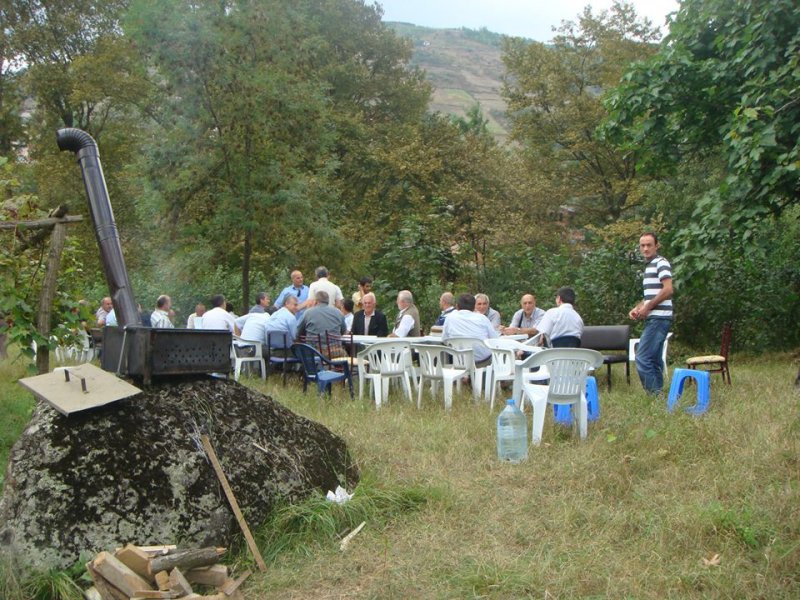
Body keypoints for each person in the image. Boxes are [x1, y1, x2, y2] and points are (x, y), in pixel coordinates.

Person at [629, 232, 674, 395]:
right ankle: (659, 395)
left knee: (642, 357)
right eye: (642, 245)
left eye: (649, 245)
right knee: (654, 359)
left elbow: (668, 290)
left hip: (659, 318)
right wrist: (638, 307)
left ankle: (654, 395)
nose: (645, 248)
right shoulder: (649, 266)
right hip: (655, 317)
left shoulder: (661, 263)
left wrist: (648, 308)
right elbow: (651, 295)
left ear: (657, 246)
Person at [442, 293, 499, 366]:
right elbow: (495, 340)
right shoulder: (482, 319)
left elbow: (444, 340)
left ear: (457, 306)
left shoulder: (450, 318)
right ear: (474, 307)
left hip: (460, 361)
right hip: (482, 361)